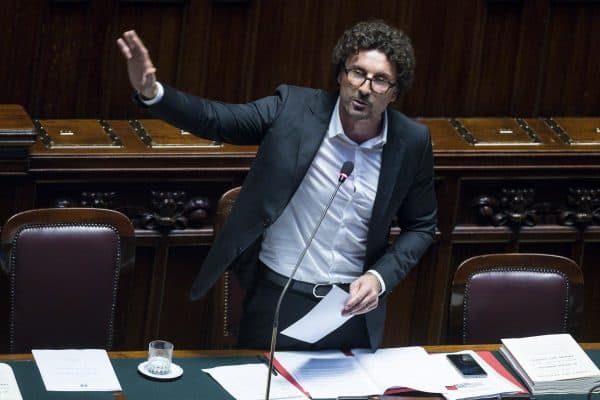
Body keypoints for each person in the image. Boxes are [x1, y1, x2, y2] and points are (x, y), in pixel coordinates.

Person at [117, 20, 437, 351]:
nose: (365, 88)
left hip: (351, 311)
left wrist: (379, 278)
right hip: (278, 299)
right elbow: (217, 119)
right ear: (341, 74)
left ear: (395, 93)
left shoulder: (410, 142)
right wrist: (153, 93)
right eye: (357, 72)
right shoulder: (293, 110)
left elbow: (422, 227)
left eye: (380, 80)